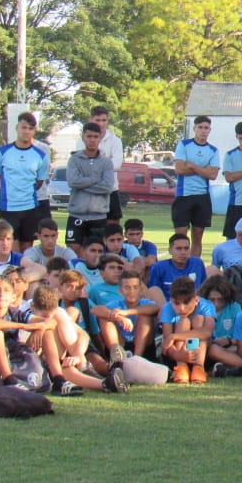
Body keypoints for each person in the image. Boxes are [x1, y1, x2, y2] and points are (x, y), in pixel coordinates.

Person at [0, 111, 50, 252]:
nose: (26, 131)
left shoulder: (40, 155)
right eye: (24, 127)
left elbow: (40, 181)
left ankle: (24, 274)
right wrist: (2, 193)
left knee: (27, 248)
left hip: (30, 208)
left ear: (34, 130)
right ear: (17, 128)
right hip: (8, 208)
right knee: (10, 247)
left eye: (30, 128)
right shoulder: (2, 152)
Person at [173, 115, 220, 259]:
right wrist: (203, 169)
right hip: (184, 196)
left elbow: (213, 175)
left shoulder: (213, 150)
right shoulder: (184, 145)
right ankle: (179, 265)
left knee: (197, 237)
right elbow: (179, 169)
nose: (203, 131)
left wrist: (192, 165)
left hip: (202, 197)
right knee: (180, 235)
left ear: (210, 130)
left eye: (206, 128)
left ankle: (194, 266)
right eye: (200, 127)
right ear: (194, 129)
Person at [66, 121, 115, 254]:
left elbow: (107, 187)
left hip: (98, 216)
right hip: (77, 214)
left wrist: (83, 185)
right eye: (89, 136)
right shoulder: (75, 159)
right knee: (73, 251)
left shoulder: (106, 162)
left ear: (100, 138)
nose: (92, 140)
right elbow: (73, 181)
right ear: (83, 137)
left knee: (97, 253)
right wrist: (94, 180)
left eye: (95, 136)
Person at [160, 275, 216, 384]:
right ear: (171, 300)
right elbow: (167, 342)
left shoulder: (206, 306)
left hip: (202, 352)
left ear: (196, 300)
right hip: (177, 354)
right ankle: (181, 368)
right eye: (177, 303)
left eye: (186, 303)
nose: (181, 308)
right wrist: (178, 355)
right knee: (183, 321)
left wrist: (174, 336)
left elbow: (207, 332)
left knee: (198, 319)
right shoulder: (167, 308)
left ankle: (198, 367)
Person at [93, 270, 159, 360]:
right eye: (127, 288)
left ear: (141, 289)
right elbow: (95, 310)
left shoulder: (146, 303)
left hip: (142, 347)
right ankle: (117, 356)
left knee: (145, 315)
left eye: (135, 287)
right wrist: (119, 317)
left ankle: (136, 359)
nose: (131, 291)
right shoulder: (116, 304)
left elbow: (155, 308)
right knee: (105, 317)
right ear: (120, 290)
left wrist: (126, 312)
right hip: (121, 345)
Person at [87, 106, 125, 225]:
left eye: (104, 120)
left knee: (113, 229)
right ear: (91, 120)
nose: (101, 124)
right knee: (91, 229)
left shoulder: (115, 140)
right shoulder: (82, 140)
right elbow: (83, 165)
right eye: (98, 120)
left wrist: (96, 164)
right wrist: (106, 164)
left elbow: (117, 164)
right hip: (89, 191)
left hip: (110, 190)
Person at [148, 234, 207, 304]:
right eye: (178, 249)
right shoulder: (159, 267)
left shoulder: (197, 263)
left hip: (194, 305)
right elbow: (154, 292)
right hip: (168, 307)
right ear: (170, 250)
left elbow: (204, 289)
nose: (183, 252)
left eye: (186, 248)